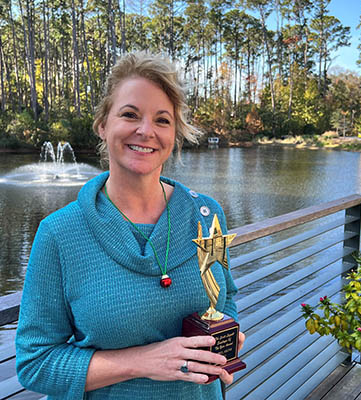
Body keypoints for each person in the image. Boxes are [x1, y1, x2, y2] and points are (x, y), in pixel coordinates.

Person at [16, 51, 245, 399]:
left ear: (175, 134)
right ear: (103, 125)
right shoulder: (59, 234)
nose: (146, 131)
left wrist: (222, 339)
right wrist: (143, 361)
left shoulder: (206, 215)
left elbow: (225, 300)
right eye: (130, 114)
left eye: (162, 120)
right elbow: (35, 363)